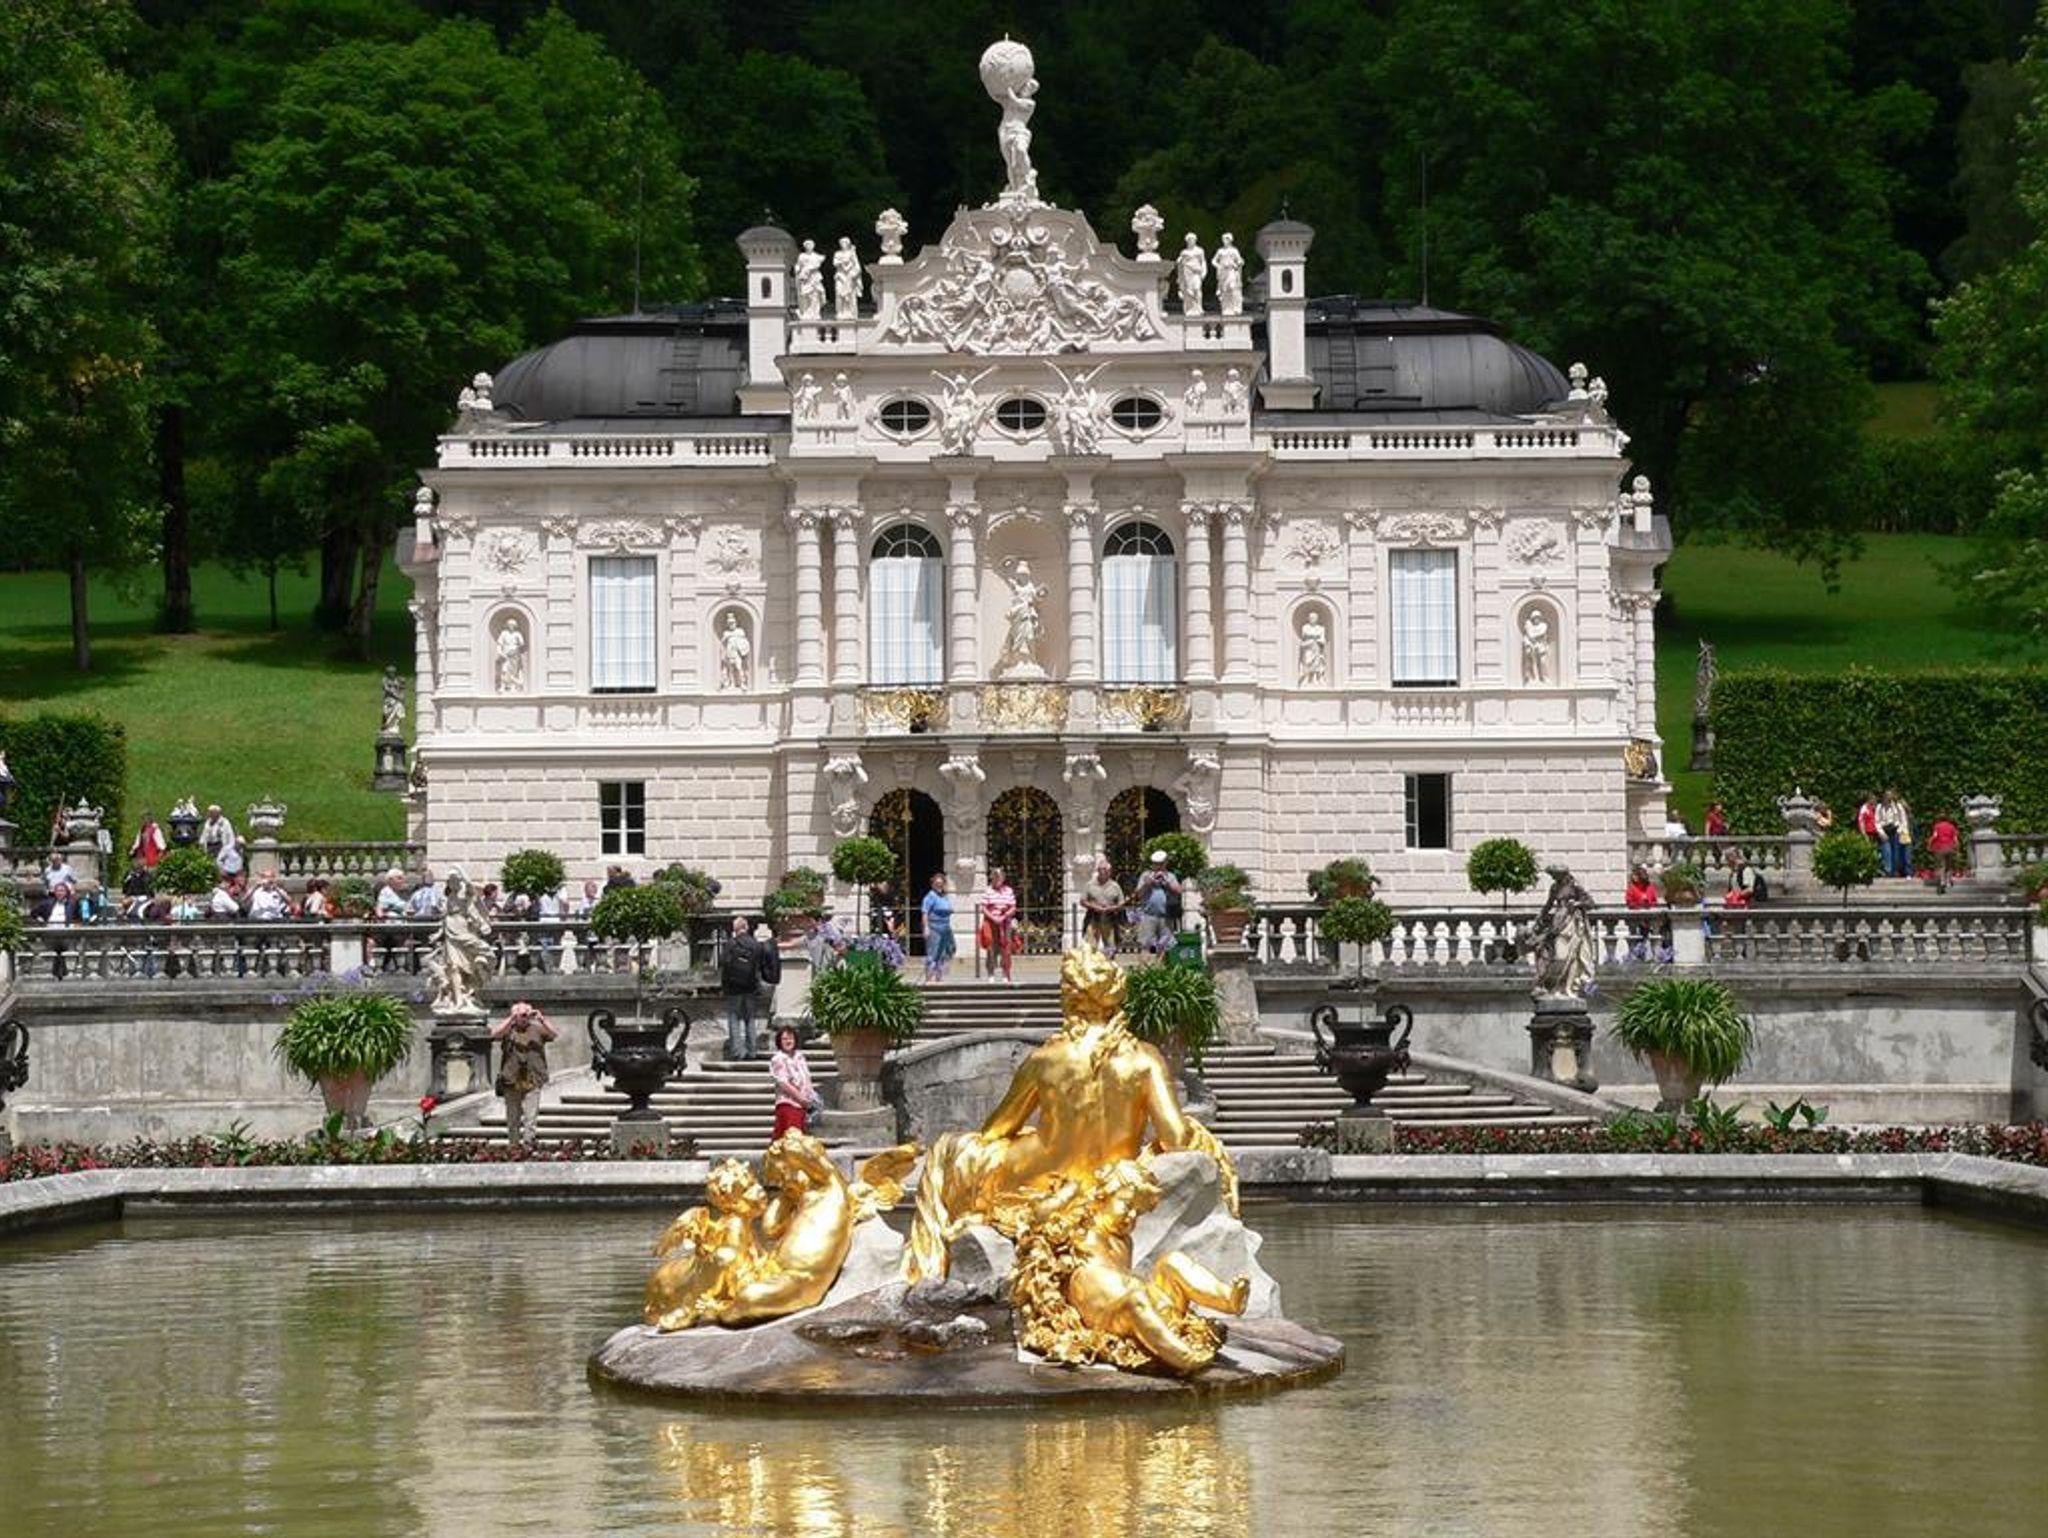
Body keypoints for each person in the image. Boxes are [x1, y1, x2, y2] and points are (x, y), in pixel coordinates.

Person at [491, 1001, 557, 1146]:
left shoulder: (537, 1029)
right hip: (511, 1080)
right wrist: (511, 1018)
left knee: (530, 1118)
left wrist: (542, 1019)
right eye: (521, 1015)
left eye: (526, 1014)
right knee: (513, 1118)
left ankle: (528, 1145)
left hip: (532, 1079)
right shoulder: (509, 1029)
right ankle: (513, 1146)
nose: (524, 1017)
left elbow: (554, 1034)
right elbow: (494, 1034)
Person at [720, 915, 771, 1061]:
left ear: (735, 929)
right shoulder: (756, 944)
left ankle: (737, 1052)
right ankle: (752, 1050)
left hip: (733, 987)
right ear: (746, 927)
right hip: (751, 987)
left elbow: (723, 963)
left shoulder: (731, 944)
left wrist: (724, 985)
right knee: (750, 1018)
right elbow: (760, 966)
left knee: (734, 1017)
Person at [768, 1025, 822, 1139]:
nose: (788, 1041)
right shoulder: (778, 1059)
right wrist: (801, 1099)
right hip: (788, 1104)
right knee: (791, 1140)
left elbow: (806, 1078)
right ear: (779, 1041)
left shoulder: (800, 1057)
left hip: (803, 1106)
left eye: (791, 1038)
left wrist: (810, 1097)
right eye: (784, 1039)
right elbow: (783, 1083)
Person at [1131, 850, 1182, 955]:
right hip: (1149, 916)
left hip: (1166, 917)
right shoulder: (1146, 875)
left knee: (1165, 946)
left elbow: (1178, 891)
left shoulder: (1170, 876)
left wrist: (1167, 883)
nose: (1158, 867)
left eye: (1160, 864)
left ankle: (1162, 963)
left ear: (1165, 863)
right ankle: (1152, 963)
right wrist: (1147, 884)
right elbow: (1138, 894)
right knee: (1150, 947)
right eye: (1155, 864)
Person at [979, 866, 1019, 983]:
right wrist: (993, 918)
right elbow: (984, 908)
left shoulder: (1008, 890)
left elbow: (1013, 907)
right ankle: (991, 973)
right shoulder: (988, 891)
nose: (997, 879)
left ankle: (1005, 973)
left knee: (1005, 948)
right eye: (995, 877)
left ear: (1003, 878)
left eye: (999, 877)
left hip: (1005, 922)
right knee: (991, 948)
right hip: (991, 922)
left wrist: (1004, 916)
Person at [1080, 858, 1125, 954]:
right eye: (1101, 869)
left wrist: (1112, 908)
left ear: (1110, 871)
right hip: (1093, 918)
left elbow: (1121, 903)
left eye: (1106, 870)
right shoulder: (1089, 884)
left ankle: (1110, 962)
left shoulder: (1115, 886)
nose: (1103, 872)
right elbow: (1083, 901)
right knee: (1089, 948)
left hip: (1110, 919)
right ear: (1098, 870)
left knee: (1111, 948)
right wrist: (1094, 906)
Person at [920, 873, 956, 983]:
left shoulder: (944, 897)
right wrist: (926, 927)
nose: (939, 885)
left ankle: (939, 978)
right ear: (932, 884)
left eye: (941, 883)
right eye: (937, 884)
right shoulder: (930, 897)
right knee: (933, 953)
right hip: (934, 927)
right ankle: (929, 979)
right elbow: (925, 913)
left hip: (945, 928)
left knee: (944, 953)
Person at [1878, 788, 1914, 879]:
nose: (1889, 797)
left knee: (1897, 852)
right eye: (1887, 795)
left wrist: (1900, 831)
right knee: (1887, 852)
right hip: (1885, 830)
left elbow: (1903, 820)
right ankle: (1889, 871)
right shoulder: (1879, 807)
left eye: (1890, 795)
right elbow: (1877, 821)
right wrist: (1881, 832)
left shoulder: (1897, 806)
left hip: (1896, 831)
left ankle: (1896, 871)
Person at [1926, 812, 1961, 892]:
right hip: (1950, 848)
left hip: (1940, 848)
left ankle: (1942, 882)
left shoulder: (1937, 826)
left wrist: (1929, 844)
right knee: (1949, 866)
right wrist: (1957, 848)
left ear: (1939, 819)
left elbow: (1935, 836)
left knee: (1942, 866)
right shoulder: (1952, 827)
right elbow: (1955, 839)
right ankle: (1948, 882)